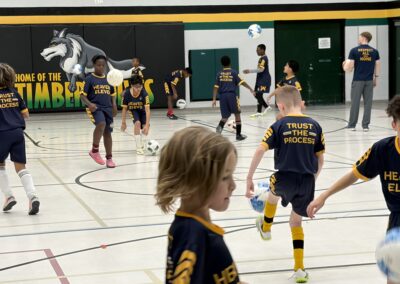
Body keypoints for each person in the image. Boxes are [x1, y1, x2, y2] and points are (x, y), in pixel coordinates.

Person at [307, 95, 400, 284]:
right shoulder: (383, 150)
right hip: (397, 222)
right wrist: (324, 195)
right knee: (394, 276)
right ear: (394, 125)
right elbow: (354, 174)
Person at [246, 86, 325, 283]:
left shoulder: (279, 126)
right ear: (301, 103)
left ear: (281, 106)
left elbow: (259, 150)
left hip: (284, 179)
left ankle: (266, 227)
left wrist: (249, 177)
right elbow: (320, 159)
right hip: (307, 182)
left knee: (273, 193)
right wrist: (313, 180)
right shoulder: (315, 126)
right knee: (295, 222)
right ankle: (299, 269)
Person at [155, 126, 243, 284]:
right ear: (195, 181)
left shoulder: (197, 227)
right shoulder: (191, 234)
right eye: (225, 177)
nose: (233, 185)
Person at [0, 63, 40, 215]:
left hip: (1, 133)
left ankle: (9, 196)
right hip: (17, 133)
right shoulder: (15, 92)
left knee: (0, 165)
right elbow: (26, 115)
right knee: (21, 167)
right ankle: (33, 196)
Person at [80, 55, 117, 168]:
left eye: (103, 65)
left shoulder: (109, 79)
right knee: (101, 124)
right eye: (98, 65)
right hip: (95, 108)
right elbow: (82, 96)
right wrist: (90, 104)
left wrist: (114, 105)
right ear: (94, 65)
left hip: (107, 108)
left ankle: (109, 158)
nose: (101, 67)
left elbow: (113, 94)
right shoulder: (89, 79)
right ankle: (94, 150)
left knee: (107, 133)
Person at [343, 31, 381, 132]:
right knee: (368, 103)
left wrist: (344, 65)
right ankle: (365, 126)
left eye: (359, 37)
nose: (358, 38)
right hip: (369, 80)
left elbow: (349, 67)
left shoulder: (354, 50)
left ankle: (352, 125)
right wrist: (376, 78)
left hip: (358, 80)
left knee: (355, 103)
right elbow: (377, 65)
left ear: (364, 38)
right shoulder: (374, 51)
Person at [213, 55, 255, 141]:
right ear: (230, 63)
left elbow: (215, 87)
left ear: (222, 64)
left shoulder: (219, 74)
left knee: (224, 117)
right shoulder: (234, 72)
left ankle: (219, 129)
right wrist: (250, 89)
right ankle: (238, 135)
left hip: (223, 97)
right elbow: (242, 82)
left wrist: (214, 99)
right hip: (232, 96)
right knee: (237, 114)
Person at [121, 75, 150, 155]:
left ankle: (142, 142)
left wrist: (147, 125)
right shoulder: (126, 94)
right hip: (133, 110)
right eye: (136, 87)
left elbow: (147, 111)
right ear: (132, 86)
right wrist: (123, 122)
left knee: (145, 128)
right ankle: (138, 147)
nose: (138, 89)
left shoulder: (144, 93)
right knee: (137, 123)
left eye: (140, 87)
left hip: (143, 111)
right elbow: (124, 109)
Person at [243, 44, 272, 118]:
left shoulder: (264, 59)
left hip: (264, 80)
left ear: (262, 50)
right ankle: (266, 107)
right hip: (259, 80)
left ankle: (259, 112)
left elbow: (261, 70)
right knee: (256, 94)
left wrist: (250, 71)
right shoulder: (261, 58)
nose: (256, 51)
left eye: (258, 50)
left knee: (259, 94)